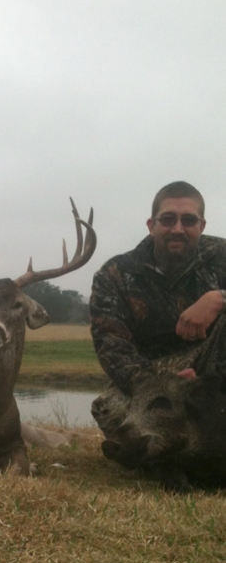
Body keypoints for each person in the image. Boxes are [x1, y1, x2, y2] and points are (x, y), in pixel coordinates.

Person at [90, 181, 226, 437]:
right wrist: (165, 384)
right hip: (150, 378)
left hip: (214, 373)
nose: (178, 229)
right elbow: (112, 348)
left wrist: (219, 299)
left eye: (188, 220)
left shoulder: (222, 255)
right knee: (108, 411)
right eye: (168, 219)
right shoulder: (114, 274)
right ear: (151, 225)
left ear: (202, 226)